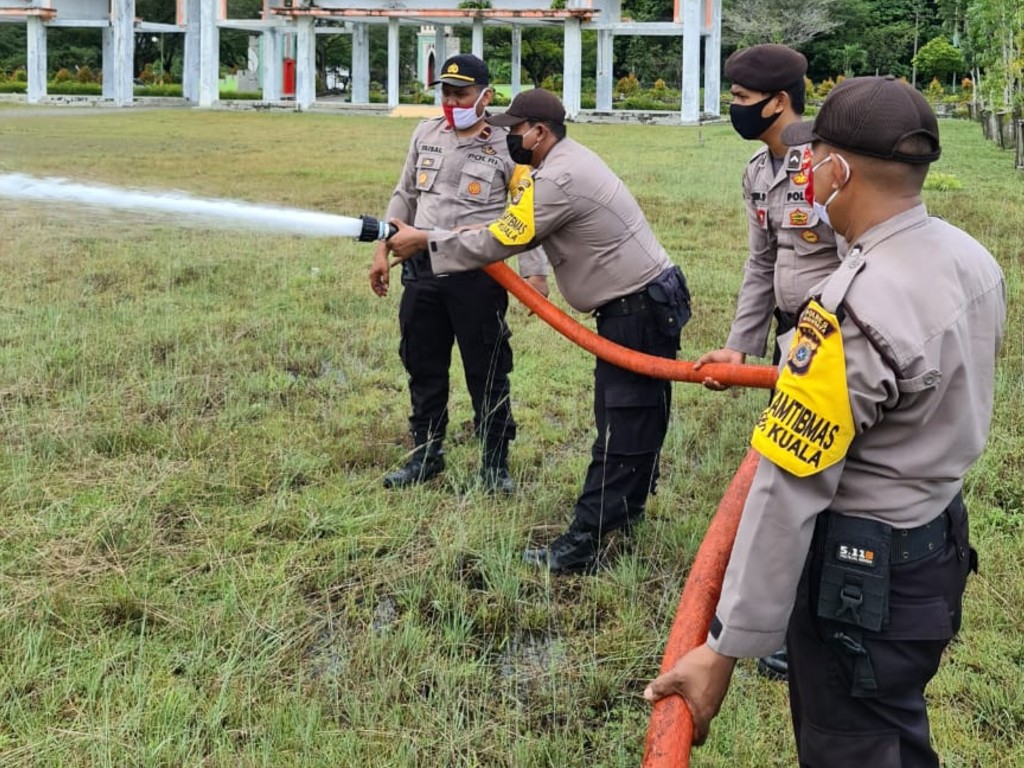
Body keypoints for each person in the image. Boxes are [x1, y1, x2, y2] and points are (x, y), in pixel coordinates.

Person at [645, 76, 1005, 767]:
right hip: (935, 545)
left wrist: (722, 651)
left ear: (837, 170)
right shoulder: (969, 257)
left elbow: (786, 489)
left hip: (864, 580)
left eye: (816, 159)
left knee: (855, 745)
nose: (804, 171)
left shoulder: (850, 313)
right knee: (893, 732)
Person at [386, 88, 691, 573]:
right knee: (635, 415)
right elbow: (503, 227)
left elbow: (499, 237)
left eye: (514, 131)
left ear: (538, 133)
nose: (507, 137)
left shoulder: (559, 179)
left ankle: (582, 543)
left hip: (639, 308)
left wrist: (425, 239)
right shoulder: (559, 163)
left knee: (623, 421)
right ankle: (626, 511)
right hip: (642, 304)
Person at [694, 43, 843, 682]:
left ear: (780, 101)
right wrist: (739, 344)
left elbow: (863, 259)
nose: (733, 107)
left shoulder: (831, 167)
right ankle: (783, 619)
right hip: (787, 341)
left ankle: (811, 625)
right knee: (790, 478)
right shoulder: (760, 170)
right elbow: (761, 263)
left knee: (817, 484)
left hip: (835, 348)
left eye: (742, 99)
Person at [370, 54, 549, 494]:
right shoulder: (426, 133)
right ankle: (425, 456)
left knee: (486, 371)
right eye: (446, 93)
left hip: (477, 275)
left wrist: (534, 275)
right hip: (421, 270)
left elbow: (526, 211)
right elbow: (404, 194)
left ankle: (494, 465)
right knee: (423, 365)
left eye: (461, 94)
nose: (451, 102)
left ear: (485, 96)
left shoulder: (508, 143)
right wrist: (381, 248)